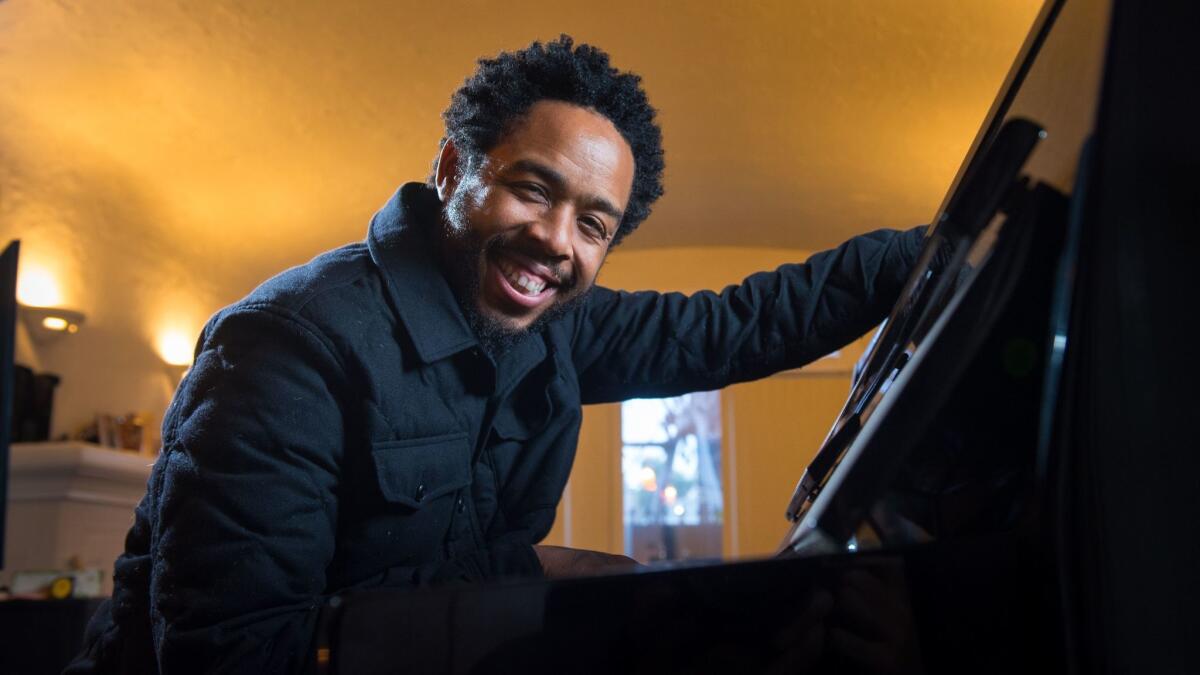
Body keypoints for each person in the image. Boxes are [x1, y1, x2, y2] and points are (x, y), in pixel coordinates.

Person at [69, 35, 931, 673]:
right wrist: (545, 577)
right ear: (453, 169)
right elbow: (235, 654)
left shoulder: (558, 323)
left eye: (594, 223)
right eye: (533, 189)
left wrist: (933, 253)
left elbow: (735, 324)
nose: (556, 241)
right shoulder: (288, 346)